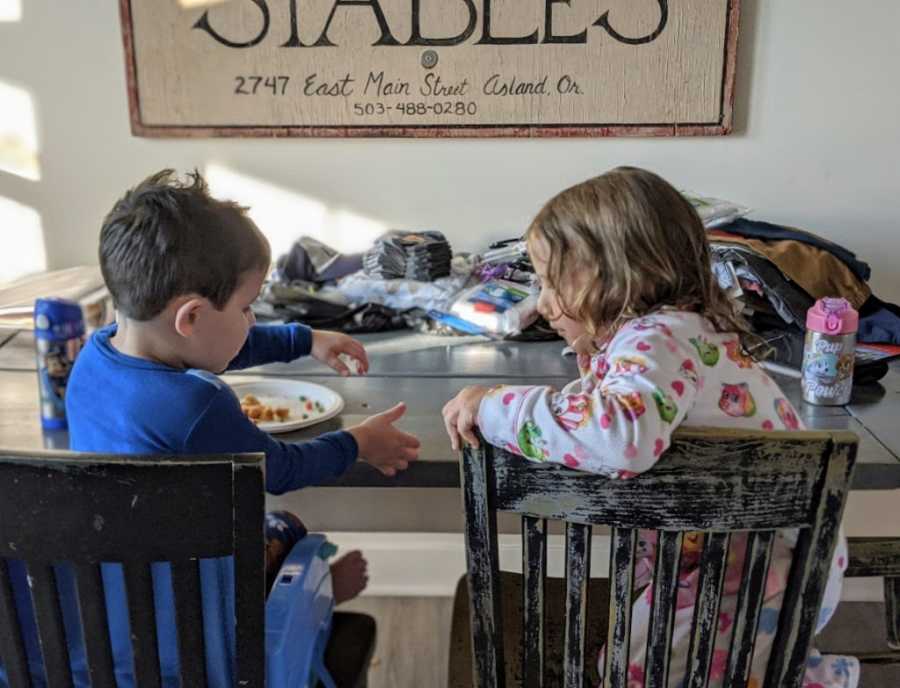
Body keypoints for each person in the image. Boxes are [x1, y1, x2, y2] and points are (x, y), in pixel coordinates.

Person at [442, 167, 857, 688]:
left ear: (609, 276)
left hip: (756, 576)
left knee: (631, 672)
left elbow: (619, 438)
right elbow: (617, 408)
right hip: (732, 559)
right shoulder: (680, 331)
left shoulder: (658, 338)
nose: (541, 304)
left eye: (550, 282)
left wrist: (496, 406)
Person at [10, 169, 420, 687]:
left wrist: (302, 339)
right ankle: (312, 602)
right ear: (192, 316)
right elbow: (283, 468)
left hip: (107, 587)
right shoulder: (196, 404)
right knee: (286, 527)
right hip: (184, 612)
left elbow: (218, 344)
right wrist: (359, 442)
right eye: (247, 308)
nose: (251, 320)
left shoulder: (98, 354)